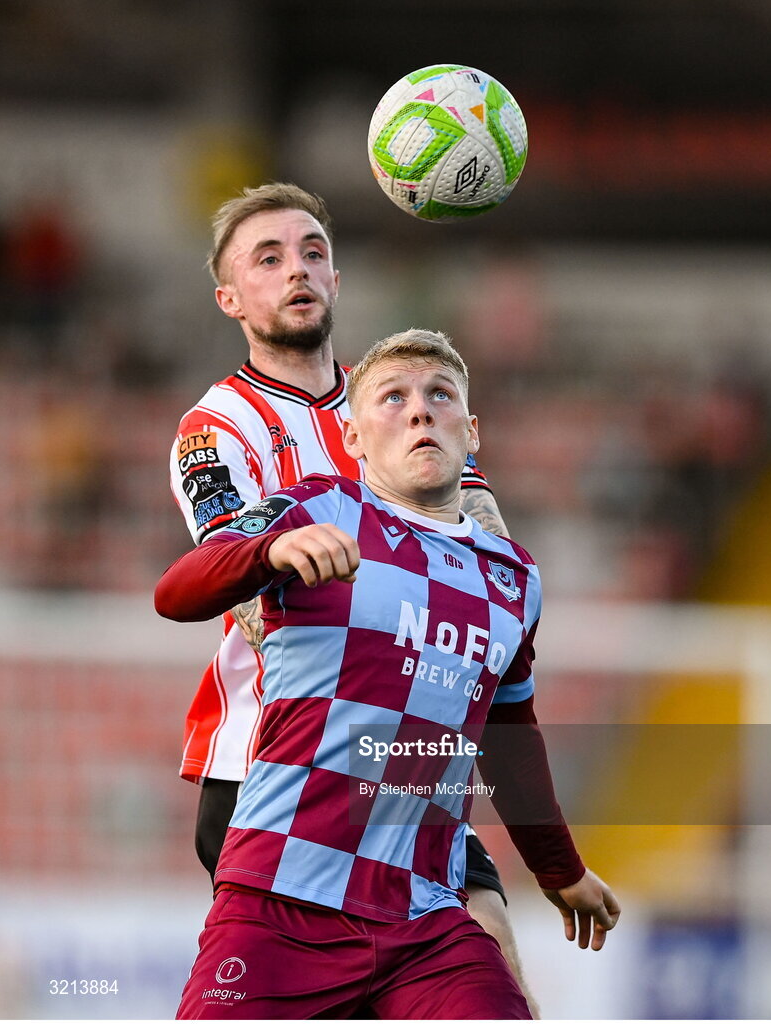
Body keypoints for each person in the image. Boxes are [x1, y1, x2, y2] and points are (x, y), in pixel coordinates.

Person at [156, 329, 620, 1019]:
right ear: (352, 437)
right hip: (281, 905)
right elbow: (177, 592)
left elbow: (510, 737)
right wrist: (266, 551)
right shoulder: (318, 508)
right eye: (392, 397)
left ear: (473, 430)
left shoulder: (511, 576)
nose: (419, 411)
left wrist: (560, 871)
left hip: (424, 920)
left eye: (440, 395)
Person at [169, 182, 530, 998]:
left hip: (404, 764)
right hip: (273, 768)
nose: (296, 270)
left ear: (337, 278)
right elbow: (232, 576)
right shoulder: (217, 428)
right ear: (230, 298)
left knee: (494, 960)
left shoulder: (400, 399)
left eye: (312, 252)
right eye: (268, 259)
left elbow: (488, 549)